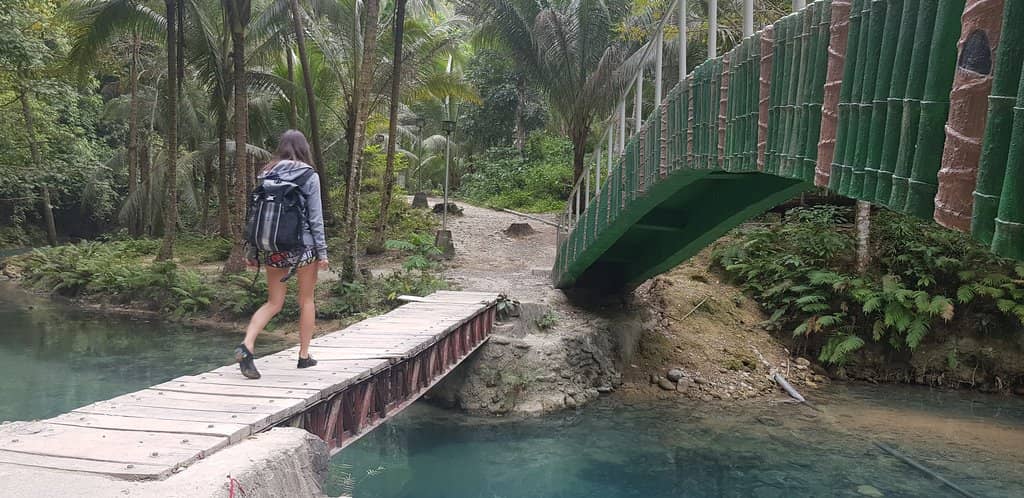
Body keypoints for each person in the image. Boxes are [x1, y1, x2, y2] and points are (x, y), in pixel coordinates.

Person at [234, 130, 328, 379]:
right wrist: (323, 251)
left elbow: (256, 215)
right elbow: (316, 217)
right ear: (304, 148)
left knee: (274, 302)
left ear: (282, 147)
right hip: (303, 248)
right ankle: (304, 356)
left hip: (272, 247)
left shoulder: (267, 173)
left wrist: (253, 250)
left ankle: (248, 344)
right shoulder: (309, 175)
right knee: (306, 301)